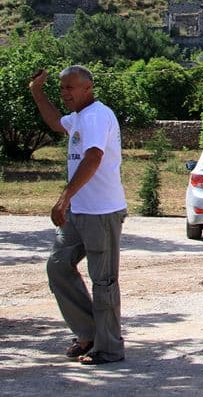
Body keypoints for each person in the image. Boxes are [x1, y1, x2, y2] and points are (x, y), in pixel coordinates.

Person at [28, 65, 127, 365]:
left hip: (101, 212)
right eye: (62, 89)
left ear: (88, 88)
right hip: (79, 212)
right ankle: (89, 333)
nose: (65, 93)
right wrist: (37, 92)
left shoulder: (97, 115)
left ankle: (108, 348)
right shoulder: (80, 118)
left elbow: (94, 157)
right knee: (58, 266)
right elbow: (57, 123)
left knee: (103, 281)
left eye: (71, 88)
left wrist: (64, 197)